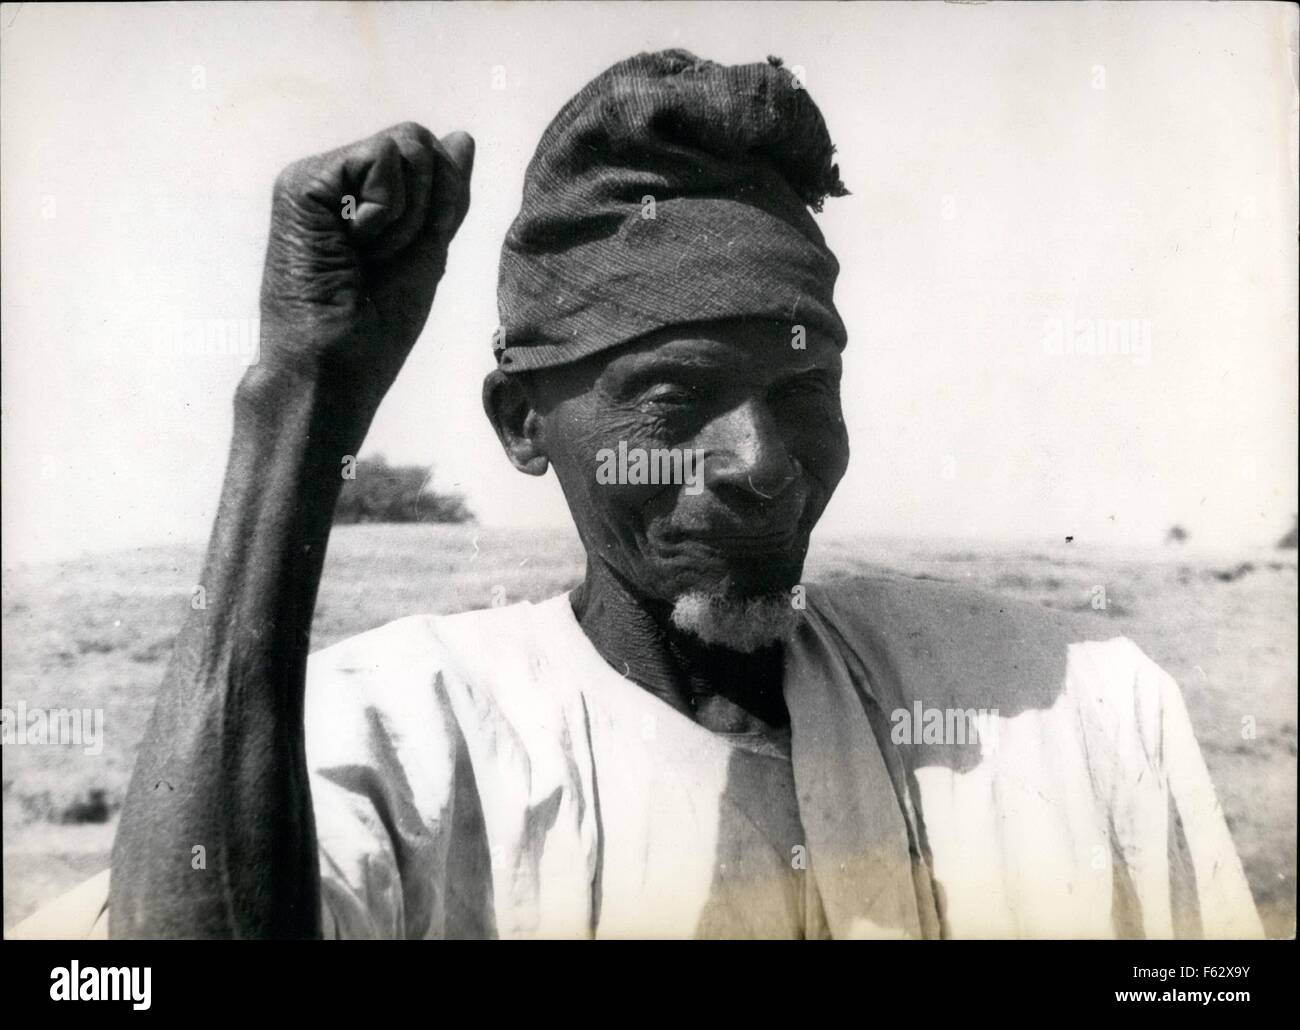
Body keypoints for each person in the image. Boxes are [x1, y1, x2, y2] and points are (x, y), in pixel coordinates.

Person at [15, 50, 1262, 940]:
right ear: (524, 424)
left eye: (804, 382)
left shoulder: (1070, 713)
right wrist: (302, 404)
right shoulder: (397, 745)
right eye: (674, 402)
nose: (764, 458)